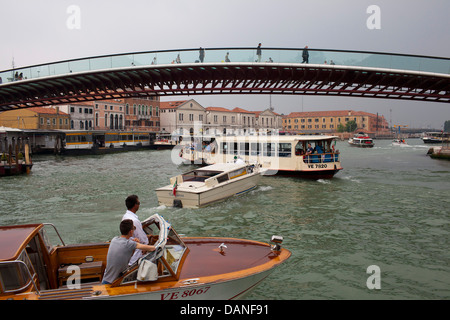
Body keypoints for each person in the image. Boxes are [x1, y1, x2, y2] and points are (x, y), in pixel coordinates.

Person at [102, 219, 156, 284]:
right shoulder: (129, 244)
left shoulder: (114, 239)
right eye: (134, 229)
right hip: (112, 283)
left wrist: (133, 243)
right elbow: (152, 248)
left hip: (106, 279)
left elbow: (127, 249)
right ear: (131, 232)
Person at [122, 195, 150, 265]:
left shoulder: (125, 217)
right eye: (139, 203)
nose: (139, 205)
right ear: (135, 205)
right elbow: (142, 240)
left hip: (129, 255)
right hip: (137, 257)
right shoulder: (134, 221)